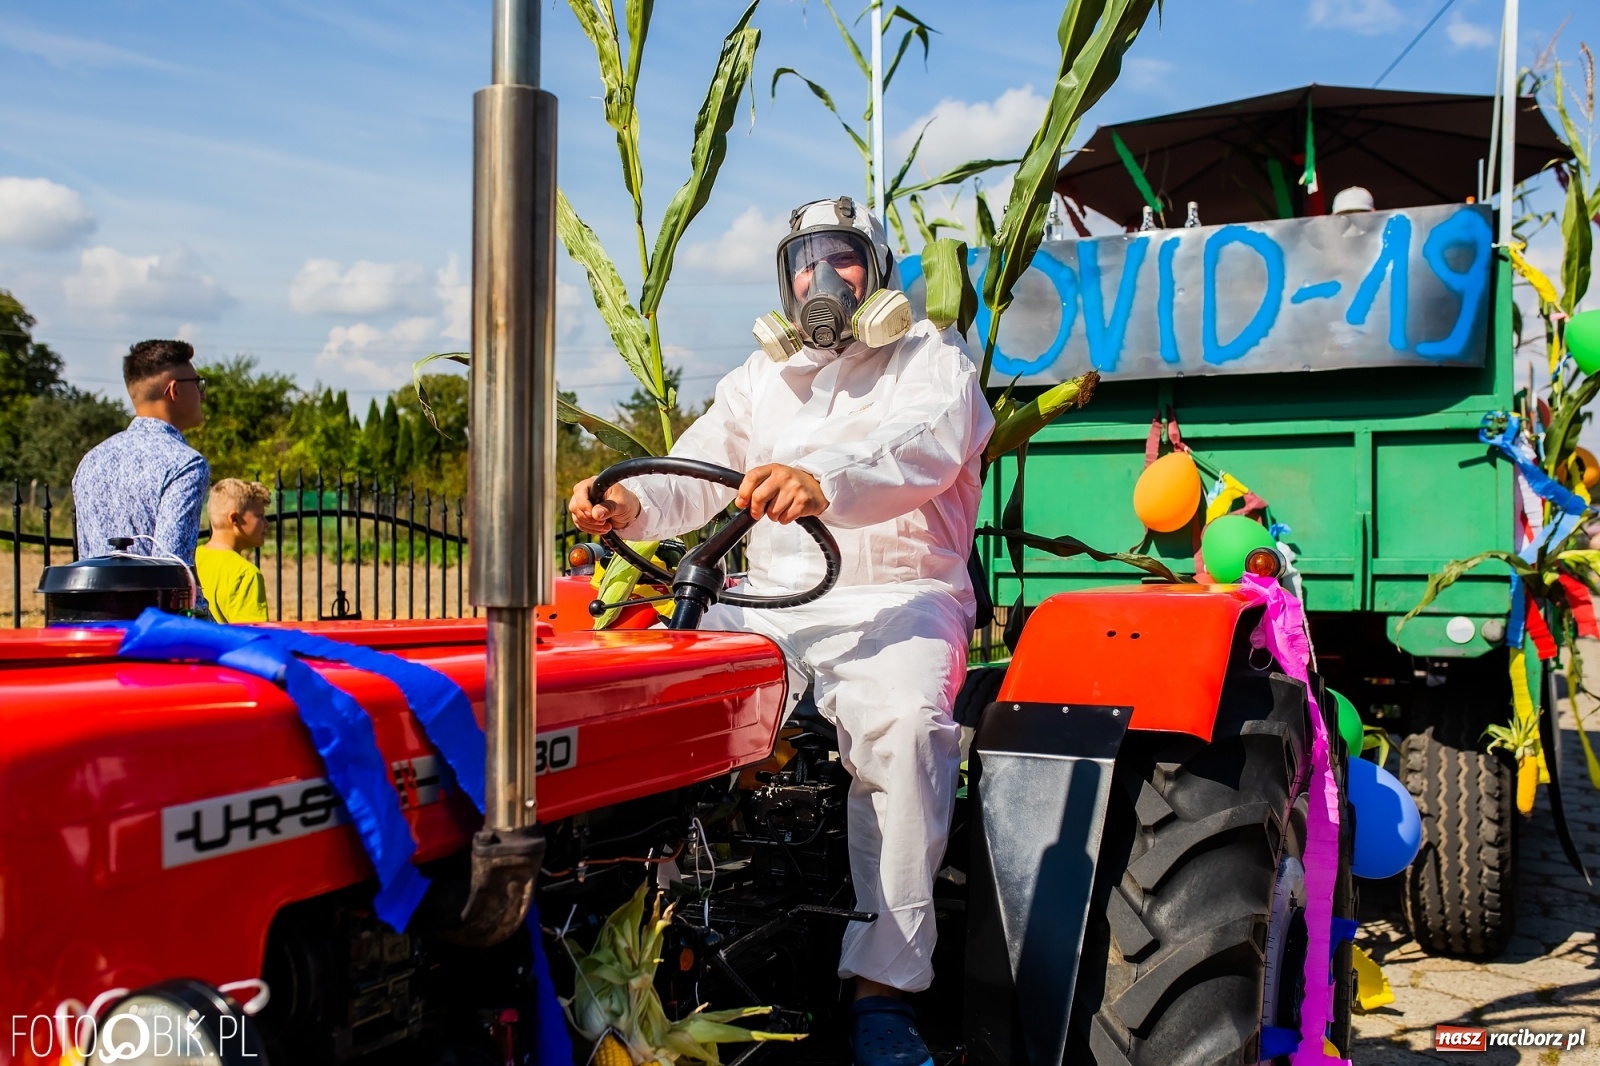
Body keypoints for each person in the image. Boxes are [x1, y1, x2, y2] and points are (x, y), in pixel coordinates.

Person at [569, 196, 993, 1066]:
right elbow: (700, 469)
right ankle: (643, 937)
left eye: (841, 257)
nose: (821, 278)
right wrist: (628, 503)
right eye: (804, 261)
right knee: (642, 697)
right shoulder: (760, 381)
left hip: (900, 601)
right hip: (768, 602)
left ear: (874, 271)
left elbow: (922, 447)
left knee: (905, 729)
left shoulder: (931, 357)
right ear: (784, 278)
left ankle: (885, 996)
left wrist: (820, 477)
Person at [73, 339, 211, 611]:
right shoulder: (185, 463)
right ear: (174, 391)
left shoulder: (91, 460)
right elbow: (173, 571)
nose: (202, 394)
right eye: (198, 384)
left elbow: (88, 558)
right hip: (154, 633)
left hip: (96, 622)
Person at [195, 479, 270, 623]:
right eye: (260, 516)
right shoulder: (246, 574)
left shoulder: (192, 558)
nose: (266, 523)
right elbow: (250, 637)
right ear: (234, 518)